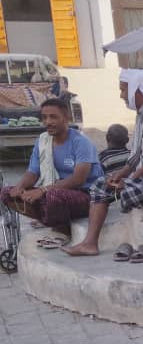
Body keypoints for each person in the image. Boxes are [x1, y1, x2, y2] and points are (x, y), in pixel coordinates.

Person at [64, 70, 143, 257]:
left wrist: (129, 180)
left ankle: (98, 243)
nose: (122, 95)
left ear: (136, 89)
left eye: (124, 90)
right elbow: (136, 154)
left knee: (121, 190)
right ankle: (89, 243)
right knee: (102, 184)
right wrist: (121, 174)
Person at [1, 98, 101, 245]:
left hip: (87, 196)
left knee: (52, 196)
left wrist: (42, 190)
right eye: (44, 117)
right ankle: (49, 217)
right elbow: (33, 172)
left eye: (53, 117)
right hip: (56, 193)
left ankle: (62, 230)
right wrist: (20, 186)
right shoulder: (42, 140)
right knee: (6, 193)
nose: (48, 122)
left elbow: (78, 179)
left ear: (66, 118)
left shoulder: (81, 142)